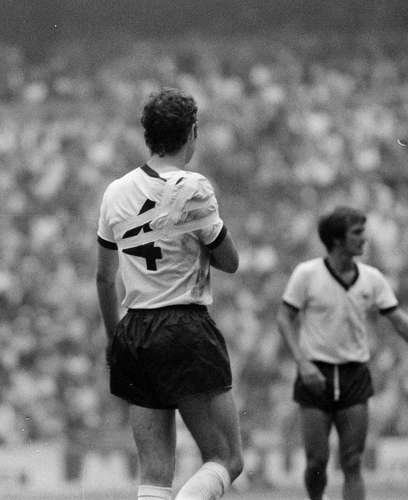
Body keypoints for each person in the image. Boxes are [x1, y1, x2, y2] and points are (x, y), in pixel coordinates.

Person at [96, 88, 243, 500]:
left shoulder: (114, 192)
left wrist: (115, 341)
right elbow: (230, 261)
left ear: (148, 135)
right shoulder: (192, 187)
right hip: (184, 326)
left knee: (155, 474)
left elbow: (104, 279)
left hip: (134, 330)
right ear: (192, 133)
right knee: (227, 459)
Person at [277, 206, 408, 500]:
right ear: (336, 240)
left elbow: (399, 320)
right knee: (316, 462)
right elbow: (284, 318)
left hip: (354, 374)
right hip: (315, 373)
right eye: (357, 233)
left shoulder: (372, 278)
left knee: (353, 460)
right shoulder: (307, 274)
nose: (365, 239)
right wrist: (302, 362)